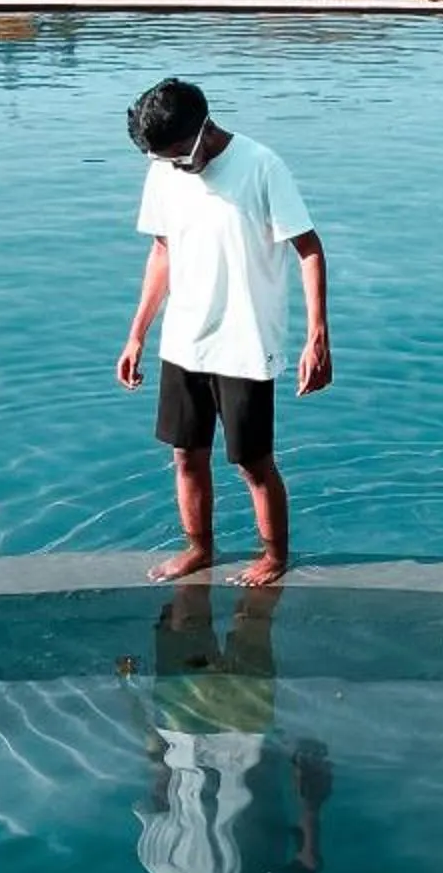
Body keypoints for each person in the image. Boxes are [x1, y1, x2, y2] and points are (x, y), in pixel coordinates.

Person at [116, 77, 332, 585]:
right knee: (185, 456)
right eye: (161, 159)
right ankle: (199, 550)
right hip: (185, 339)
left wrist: (316, 336)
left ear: (204, 129)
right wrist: (137, 334)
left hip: (246, 343)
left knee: (253, 464)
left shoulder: (261, 167)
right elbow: (163, 252)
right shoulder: (165, 170)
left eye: (177, 154)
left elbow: (310, 249)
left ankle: (275, 556)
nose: (173, 166)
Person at [127, 580, 332, 873]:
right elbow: (162, 784)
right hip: (203, 724)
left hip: (235, 726)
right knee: (205, 606)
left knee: (247, 612)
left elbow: (306, 865)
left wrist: (310, 799)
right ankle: (243, 550)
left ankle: (241, 552)